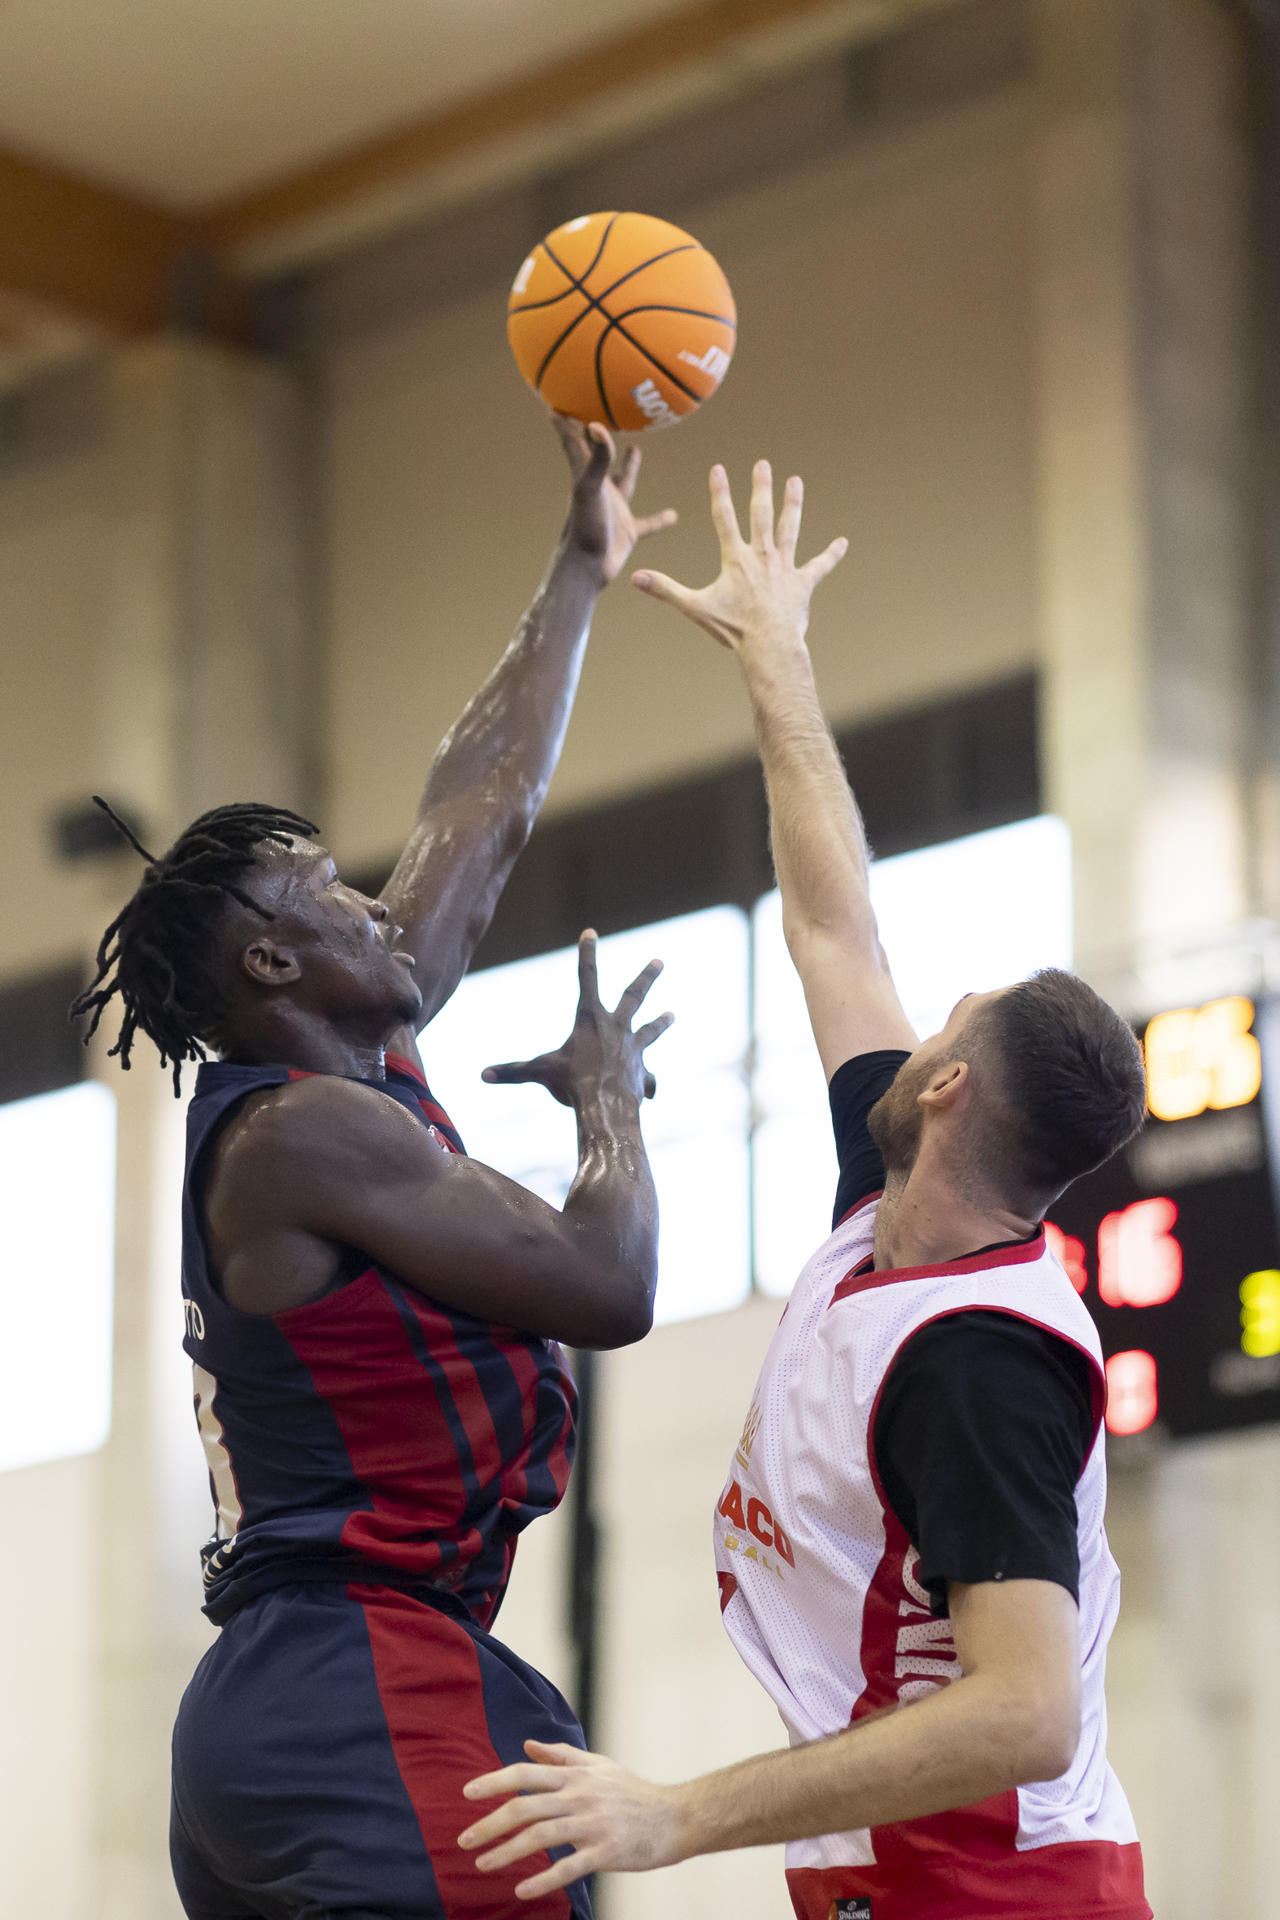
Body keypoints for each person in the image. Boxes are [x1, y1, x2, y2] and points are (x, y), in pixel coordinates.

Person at [458, 460, 1153, 1920]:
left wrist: (676, 1815)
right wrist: (777, 660)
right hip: (902, 1874)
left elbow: (1027, 1713)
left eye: (946, 1018)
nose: (918, 1019)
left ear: (951, 1084)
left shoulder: (978, 1368)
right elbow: (836, 929)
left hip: (993, 1888)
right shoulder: (890, 1187)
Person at [71, 421, 676, 1920]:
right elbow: (609, 1283)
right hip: (357, 1680)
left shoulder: (347, 1073)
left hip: (306, 1689)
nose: (372, 901)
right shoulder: (304, 1131)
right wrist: (614, 1107)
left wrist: (580, 569)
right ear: (278, 960)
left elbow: (484, 805)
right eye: (331, 891)